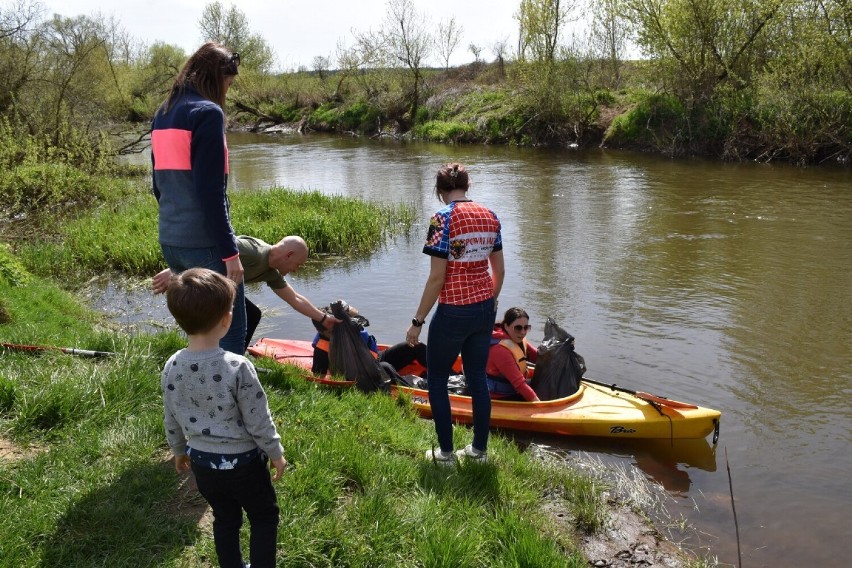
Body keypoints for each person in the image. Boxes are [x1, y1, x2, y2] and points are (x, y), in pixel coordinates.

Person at [161, 268, 286, 568]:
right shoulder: (237, 366)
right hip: (243, 463)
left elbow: (171, 414)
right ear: (226, 320)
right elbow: (258, 418)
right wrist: (275, 452)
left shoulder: (172, 365)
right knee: (263, 515)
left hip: (203, 464)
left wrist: (178, 450)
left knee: (225, 518)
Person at [406, 163, 504, 465]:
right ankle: (478, 452)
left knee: (436, 379)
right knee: (476, 377)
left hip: (453, 311)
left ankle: (446, 454)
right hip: (485, 307)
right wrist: (490, 303)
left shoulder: (442, 219)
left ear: (439, 190)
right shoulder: (490, 216)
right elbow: (498, 270)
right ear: (468, 185)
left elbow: (437, 277)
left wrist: (417, 322)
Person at [151, 42, 245, 355]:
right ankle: (229, 399)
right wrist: (230, 254)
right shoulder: (207, 113)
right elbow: (210, 192)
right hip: (205, 243)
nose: (227, 92)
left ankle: (195, 391)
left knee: (198, 332)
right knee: (228, 332)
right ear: (214, 78)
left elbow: (158, 186)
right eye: (227, 84)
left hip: (172, 239)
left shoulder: (163, 114)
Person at [153, 235, 340, 350]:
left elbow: (295, 298)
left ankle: (233, 355)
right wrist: (174, 271)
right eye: (297, 264)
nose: (296, 269)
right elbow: (213, 247)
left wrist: (323, 318)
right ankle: (224, 356)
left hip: (218, 290)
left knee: (251, 314)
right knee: (248, 314)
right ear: (288, 255)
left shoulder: (271, 272)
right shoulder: (253, 252)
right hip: (206, 288)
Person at [310, 301, 427, 379]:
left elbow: (355, 312)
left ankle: (442, 373)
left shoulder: (342, 324)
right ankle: (418, 389)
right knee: (386, 367)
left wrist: (343, 309)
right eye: (331, 331)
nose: (337, 332)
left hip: (375, 358)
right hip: (364, 372)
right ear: (322, 332)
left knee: (414, 346)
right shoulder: (322, 348)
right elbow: (319, 377)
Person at [486, 307, 540, 402]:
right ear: (506, 326)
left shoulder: (516, 338)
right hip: (500, 396)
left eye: (526, 327)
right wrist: (540, 406)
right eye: (518, 328)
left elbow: (539, 357)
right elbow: (519, 384)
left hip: (514, 388)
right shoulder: (500, 350)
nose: (523, 332)